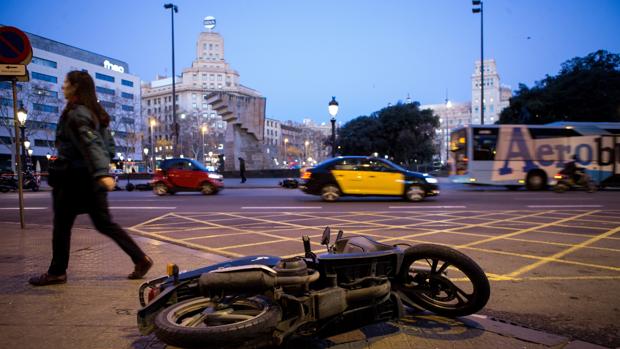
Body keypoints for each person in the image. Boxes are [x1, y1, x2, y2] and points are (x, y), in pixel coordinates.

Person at [28, 71, 153, 286]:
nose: (63, 87)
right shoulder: (95, 112)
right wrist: (103, 170)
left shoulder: (77, 114)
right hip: (90, 180)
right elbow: (109, 146)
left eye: (66, 83)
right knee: (105, 224)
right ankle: (140, 258)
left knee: (62, 225)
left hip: (75, 179)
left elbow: (91, 144)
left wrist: (101, 173)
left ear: (76, 87)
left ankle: (57, 272)